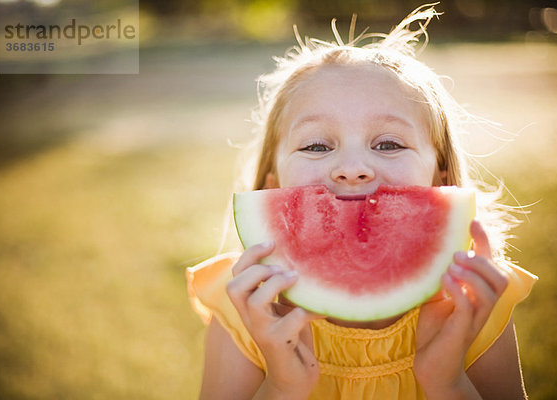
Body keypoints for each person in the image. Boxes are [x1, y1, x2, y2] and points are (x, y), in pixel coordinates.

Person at [187, 5, 537, 399]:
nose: (352, 169)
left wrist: (447, 381)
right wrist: (283, 385)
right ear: (273, 185)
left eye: (388, 144)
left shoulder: (472, 304)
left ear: (441, 176)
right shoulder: (246, 311)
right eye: (317, 145)